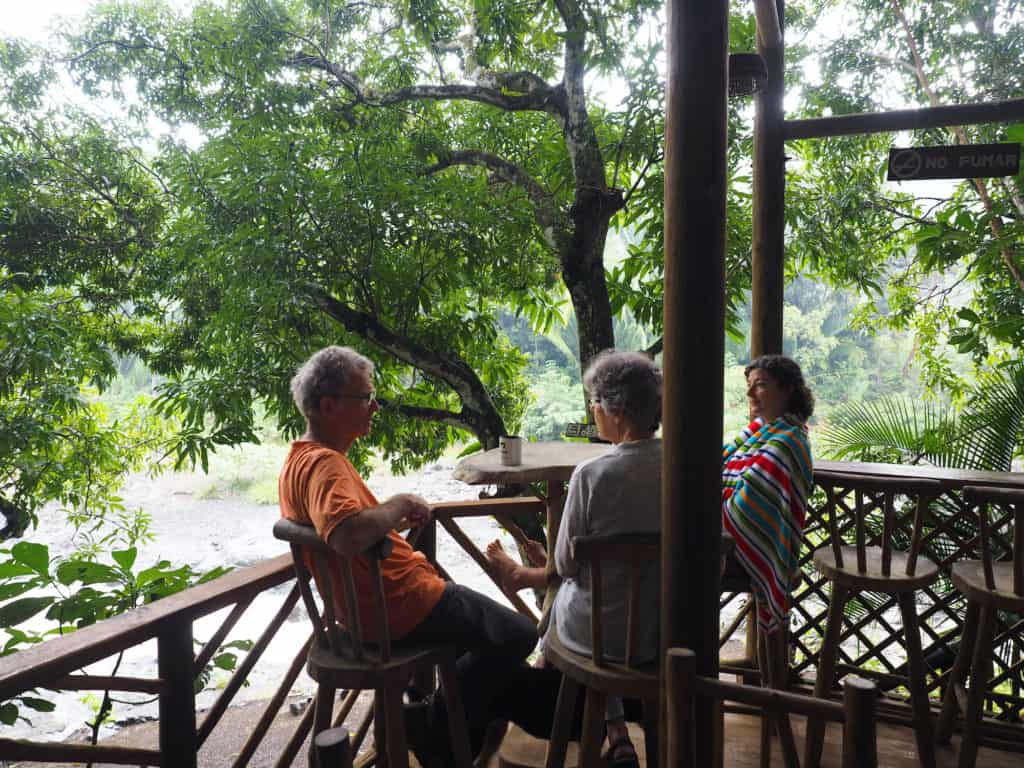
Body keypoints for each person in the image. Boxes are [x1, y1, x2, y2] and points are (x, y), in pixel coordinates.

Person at [277, 346, 536, 765]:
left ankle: (453, 729)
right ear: (328, 405)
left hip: (376, 609)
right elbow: (345, 535)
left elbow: (346, 528)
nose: (374, 405)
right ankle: (434, 724)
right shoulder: (325, 465)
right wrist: (398, 504)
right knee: (522, 635)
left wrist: (388, 518)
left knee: (496, 669)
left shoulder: (298, 461)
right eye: (365, 397)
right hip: (404, 604)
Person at [487, 349, 663, 767]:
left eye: (596, 402)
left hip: (599, 639)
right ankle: (618, 733)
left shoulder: (593, 475)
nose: (592, 410)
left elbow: (565, 565)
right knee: (608, 606)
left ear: (616, 411)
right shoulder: (687, 467)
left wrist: (547, 565)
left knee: (572, 603)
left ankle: (588, 720)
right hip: (667, 632)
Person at [722, 354, 814, 636]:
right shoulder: (758, 433)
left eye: (760, 385)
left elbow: (745, 509)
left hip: (742, 553)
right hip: (730, 544)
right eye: (749, 385)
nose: (750, 393)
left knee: (670, 562)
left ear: (787, 389)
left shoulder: (787, 442)